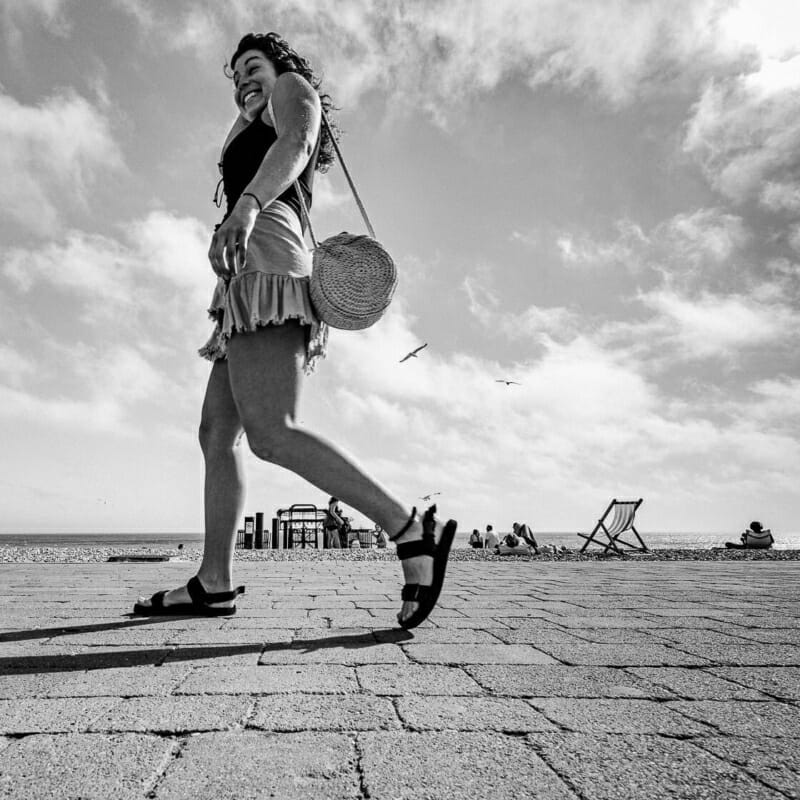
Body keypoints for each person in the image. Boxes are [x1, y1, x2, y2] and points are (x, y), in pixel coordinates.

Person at [133, 32, 456, 630]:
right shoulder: (249, 119)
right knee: (216, 432)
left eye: (251, 66)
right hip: (245, 271)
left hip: (270, 257)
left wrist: (247, 205)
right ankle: (213, 581)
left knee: (272, 432)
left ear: (278, 65)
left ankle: (410, 531)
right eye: (235, 77)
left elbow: (298, 141)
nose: (243, 80)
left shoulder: (291, 86)